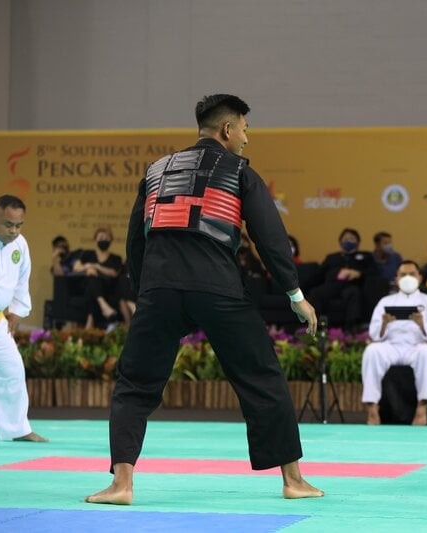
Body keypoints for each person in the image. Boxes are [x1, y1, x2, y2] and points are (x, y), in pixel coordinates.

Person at [85, 94, 322, 505]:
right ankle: (293, 480)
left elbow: (135, 239)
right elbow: (271, 239)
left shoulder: (156, 171)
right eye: (245, 128)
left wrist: (146, 293)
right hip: (218, 289)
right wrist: (295, 294)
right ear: (228, 129)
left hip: (159, 288)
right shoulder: (240, 171)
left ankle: (121, 484)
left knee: (135, 383)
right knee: (261, 378)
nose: (247, 137)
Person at [0, 195, 47, 442]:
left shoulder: (19, 245)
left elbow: (22, 279)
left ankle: (17, 429)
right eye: (8, 224)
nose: (14, 230)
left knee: (12, 371)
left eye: (18, 225)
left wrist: (17, 310)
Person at [361, 260, 427, 425]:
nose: (407, 278)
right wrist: (384, 324)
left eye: (412, 274)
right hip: (391, 346)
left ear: (420, 277)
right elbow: (374, 334)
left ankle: (422, 409)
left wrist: (422, 324)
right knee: (372, 351)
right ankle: (372, 409)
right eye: (403, 274)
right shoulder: (385, 302)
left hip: (417, 346)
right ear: (396, 279)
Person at [309, 228, 377, 329]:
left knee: (354, 293)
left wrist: (359, 273)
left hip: (351, 286)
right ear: (340, 241)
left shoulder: (366, 256)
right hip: (332, 286)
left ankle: (350, 329)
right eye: (345, 238)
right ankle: (319, 327)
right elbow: (318, 275)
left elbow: (375, 272)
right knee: (315, 293)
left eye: (352, 238)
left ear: (358, 242)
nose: (348, 241)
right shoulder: (332, 257)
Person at [72, 227, 123, 329]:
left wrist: (97, 267)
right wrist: (88, 267)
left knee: (91, 283)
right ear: (95, 239)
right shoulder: (87, 254)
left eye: (106, 237)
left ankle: (90, 321)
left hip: (107, 287)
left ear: (111, 240)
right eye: (101, 237)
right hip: (90, 285)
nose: (103, 239)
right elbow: (76, 267)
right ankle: (104, 307)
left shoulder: (116, 258)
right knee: (91, 279)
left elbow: (113, 273)